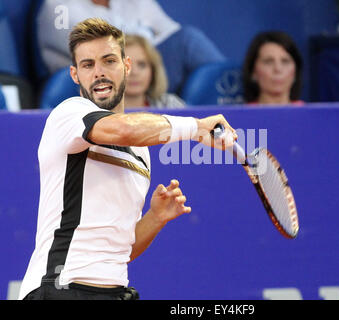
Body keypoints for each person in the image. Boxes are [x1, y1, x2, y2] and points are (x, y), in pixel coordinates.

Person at [19, 18, 237, 300]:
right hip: (59, 288)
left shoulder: (141, 151)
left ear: (127, 65)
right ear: (75, 75)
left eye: (108, 61)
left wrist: (155, 218)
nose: (98, 73)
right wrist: (195, 128)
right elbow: (122, 129)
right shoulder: (69, 113)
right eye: (88, 65)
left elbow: (123, 248)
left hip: (115, 291)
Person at [37, 0, 226, 94]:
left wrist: (136, 41)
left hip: (136, 64)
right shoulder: (57, 6)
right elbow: (92, 47)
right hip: (89, 82)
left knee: (189, 39)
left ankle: (235, 98)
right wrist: (144, 34)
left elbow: (173, 34)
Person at [242, 31, 304, 106]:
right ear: (253, 72)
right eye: (268, 62)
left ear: (295, 71)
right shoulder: (239, 116)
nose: (278, 69)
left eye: (285, 61)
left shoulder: (310, 115)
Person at [124, 34, 184, 109]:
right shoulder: (104, 111)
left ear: (153, 70)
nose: (134, 73)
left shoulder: (171, 105)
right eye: (126, 66)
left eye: (142, 65)